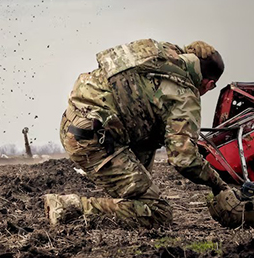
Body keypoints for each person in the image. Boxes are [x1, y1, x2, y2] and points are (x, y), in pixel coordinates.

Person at [45, 39, 229, 228]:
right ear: (208, 83)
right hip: (95, 140)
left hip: (75, 120)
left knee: (149, 141)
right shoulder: (184, 93)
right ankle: (70, 208)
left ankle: (128, 199)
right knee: (157, 212)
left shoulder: (161, 55)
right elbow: (184, 159)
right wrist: (219, 185)